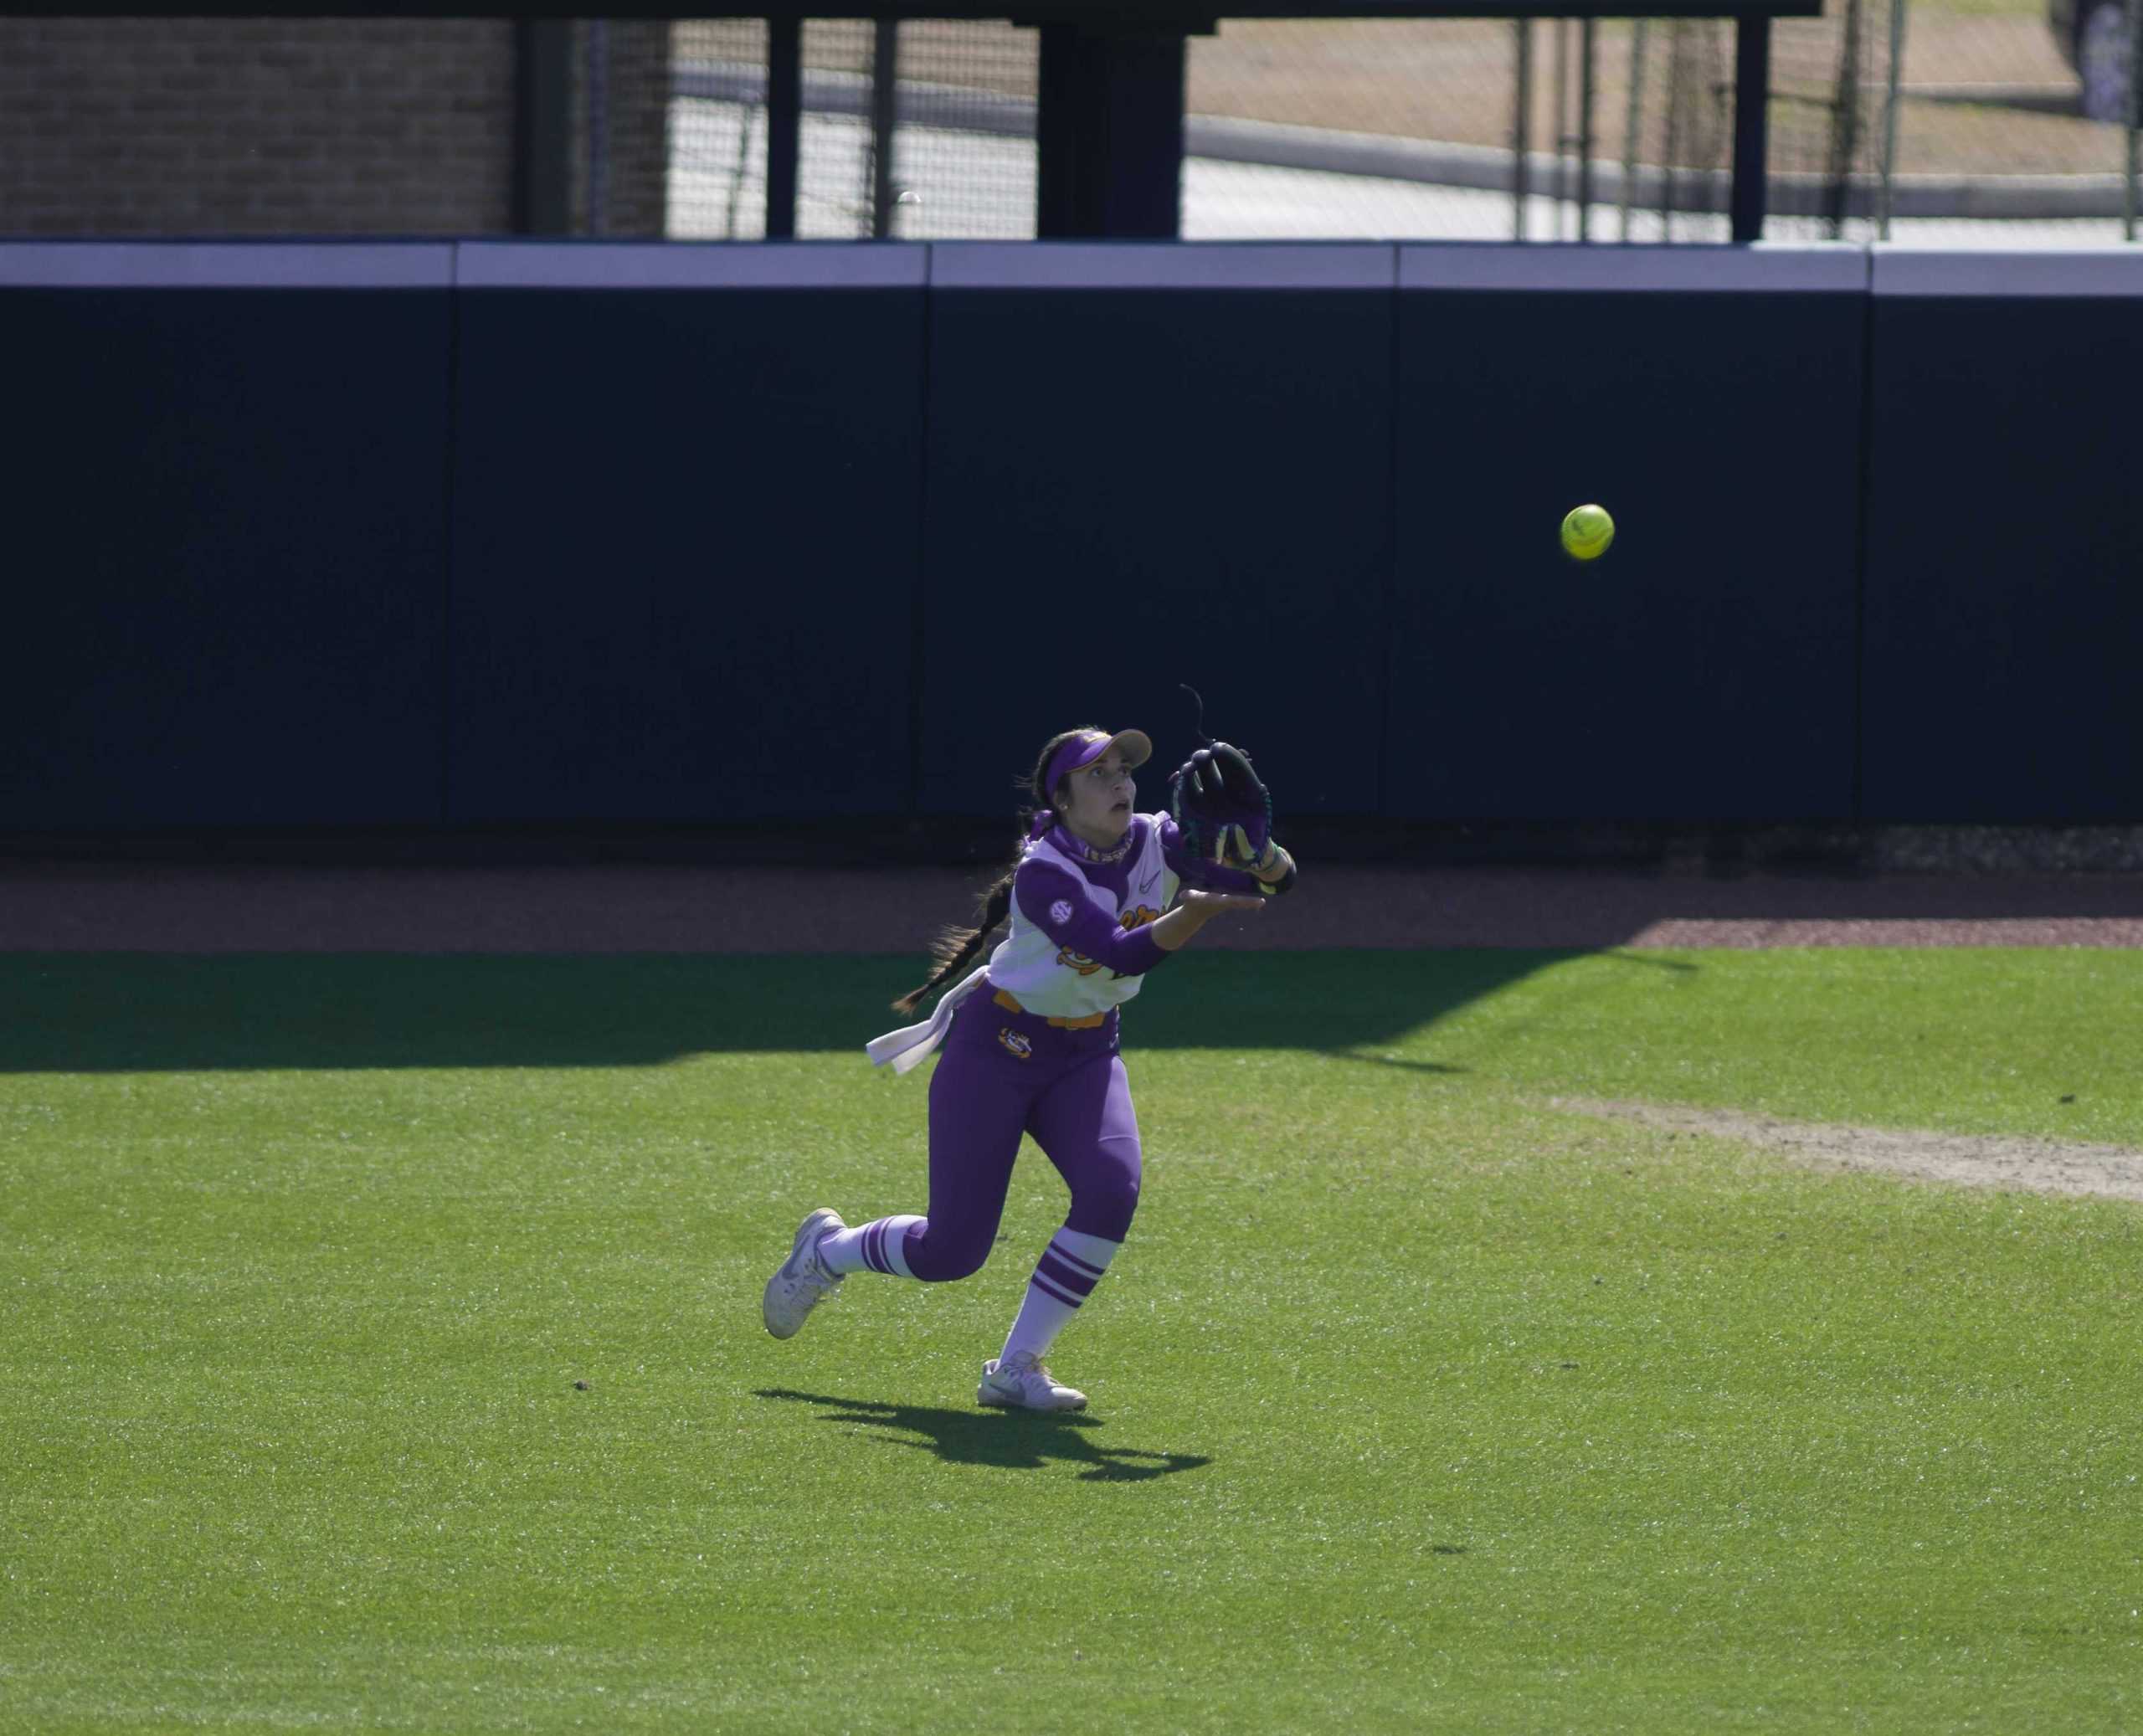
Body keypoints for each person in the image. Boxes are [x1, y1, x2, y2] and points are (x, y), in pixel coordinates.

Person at [761, 724, 1298, 1411]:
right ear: (1063, 797)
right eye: (1099, 774)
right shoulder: (1046, 872)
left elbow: (1272, 882)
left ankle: (1016, 1368)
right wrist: (1193, 913)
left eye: (1125, 771)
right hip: (998, 1048)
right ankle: (829, 1252)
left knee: (1110, 1192)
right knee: (951, 1253)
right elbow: (1119, 954)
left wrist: (1266, 855)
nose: (1121, 784)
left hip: (1086, 1051)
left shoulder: (1160, 838)